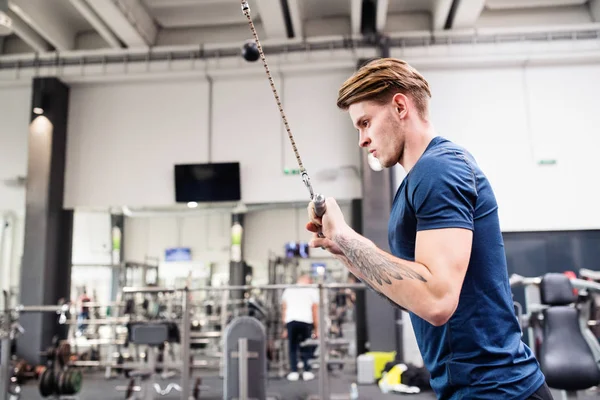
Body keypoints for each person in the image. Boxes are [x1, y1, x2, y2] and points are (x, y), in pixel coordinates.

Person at [305, 58, 552, 399]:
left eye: (365, 123)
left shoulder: (440, 169)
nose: (362, 140)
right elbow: (413, 293)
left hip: (499, 389)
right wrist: (345, 251)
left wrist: (347, 236)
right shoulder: (417, 180)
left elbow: (437, 300)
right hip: (470, 388)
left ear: (400, 106)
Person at [281, 274, 318, 381]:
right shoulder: (312, 289)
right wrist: (317, 329)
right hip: (306, 321)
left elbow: (284, 309)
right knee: (306, 346)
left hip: (291, 321)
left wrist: (284, 328)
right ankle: (307, 371)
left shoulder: (289, 290)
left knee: (292, 347)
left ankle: (294, 372)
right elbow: (315, 310)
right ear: (307, 280)